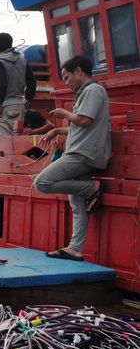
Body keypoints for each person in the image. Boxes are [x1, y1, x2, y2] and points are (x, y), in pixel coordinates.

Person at [34, 56, 111, 261]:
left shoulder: (93, 90)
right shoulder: (87, 92)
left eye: (67, 77)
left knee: (41, 182)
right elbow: (83, 124)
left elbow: (85, 120)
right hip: (84, 151)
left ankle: (90, 189)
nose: (66, 82)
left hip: (83, 153)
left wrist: (63, 113)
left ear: (79, 71)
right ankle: (75, 248)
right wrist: (57, 130)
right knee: (77, 205)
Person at [0, 32, 37, 136]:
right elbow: (32, 82)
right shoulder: (23, 61)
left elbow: (1, 85)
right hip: (20, 105)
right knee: (17, 138)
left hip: (5, 106)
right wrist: (27, 102)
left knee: (4, 142)